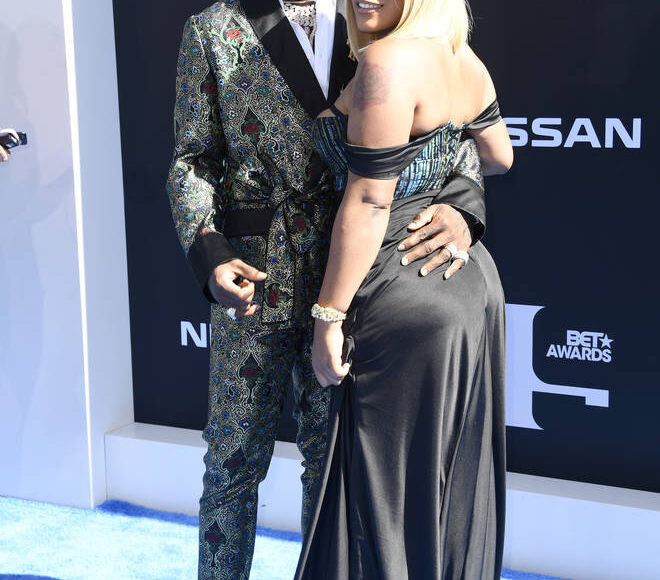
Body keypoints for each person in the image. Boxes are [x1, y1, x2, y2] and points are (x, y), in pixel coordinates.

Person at [166, 0, 492, 577]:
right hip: (255, 282)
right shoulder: (214, 28)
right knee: (231, 466)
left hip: (357, 281)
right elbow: (192, 159)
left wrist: (463, 204)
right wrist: (209, 249)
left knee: (334, 466)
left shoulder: (375, 10)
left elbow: (454, 130)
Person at [295, 0, 513, 577]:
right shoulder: (463, 60)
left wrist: (328, 315)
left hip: (401, 283)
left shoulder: (387, 62)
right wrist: (453, 199)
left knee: (383, 499)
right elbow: (499, 156)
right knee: (444, 483)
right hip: (469, 284)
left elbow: (370, 201)